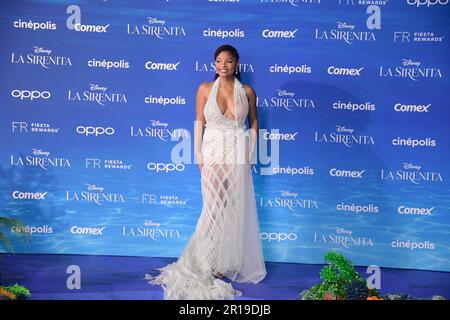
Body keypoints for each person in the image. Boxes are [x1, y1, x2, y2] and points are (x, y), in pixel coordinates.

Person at [146, 44, 266, 300]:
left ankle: (223, 263)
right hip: (212, 155)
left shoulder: (247, 91)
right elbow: (199, 122)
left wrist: (251, 153)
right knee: (213, 209)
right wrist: (198, 157)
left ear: (237, 64)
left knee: (232, 209)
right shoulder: (204, 89)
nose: (223, 65)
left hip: (237, 155)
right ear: (214, 64)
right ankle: (206, 262)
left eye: (229, 61)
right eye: (218, 61)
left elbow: (254, 121)